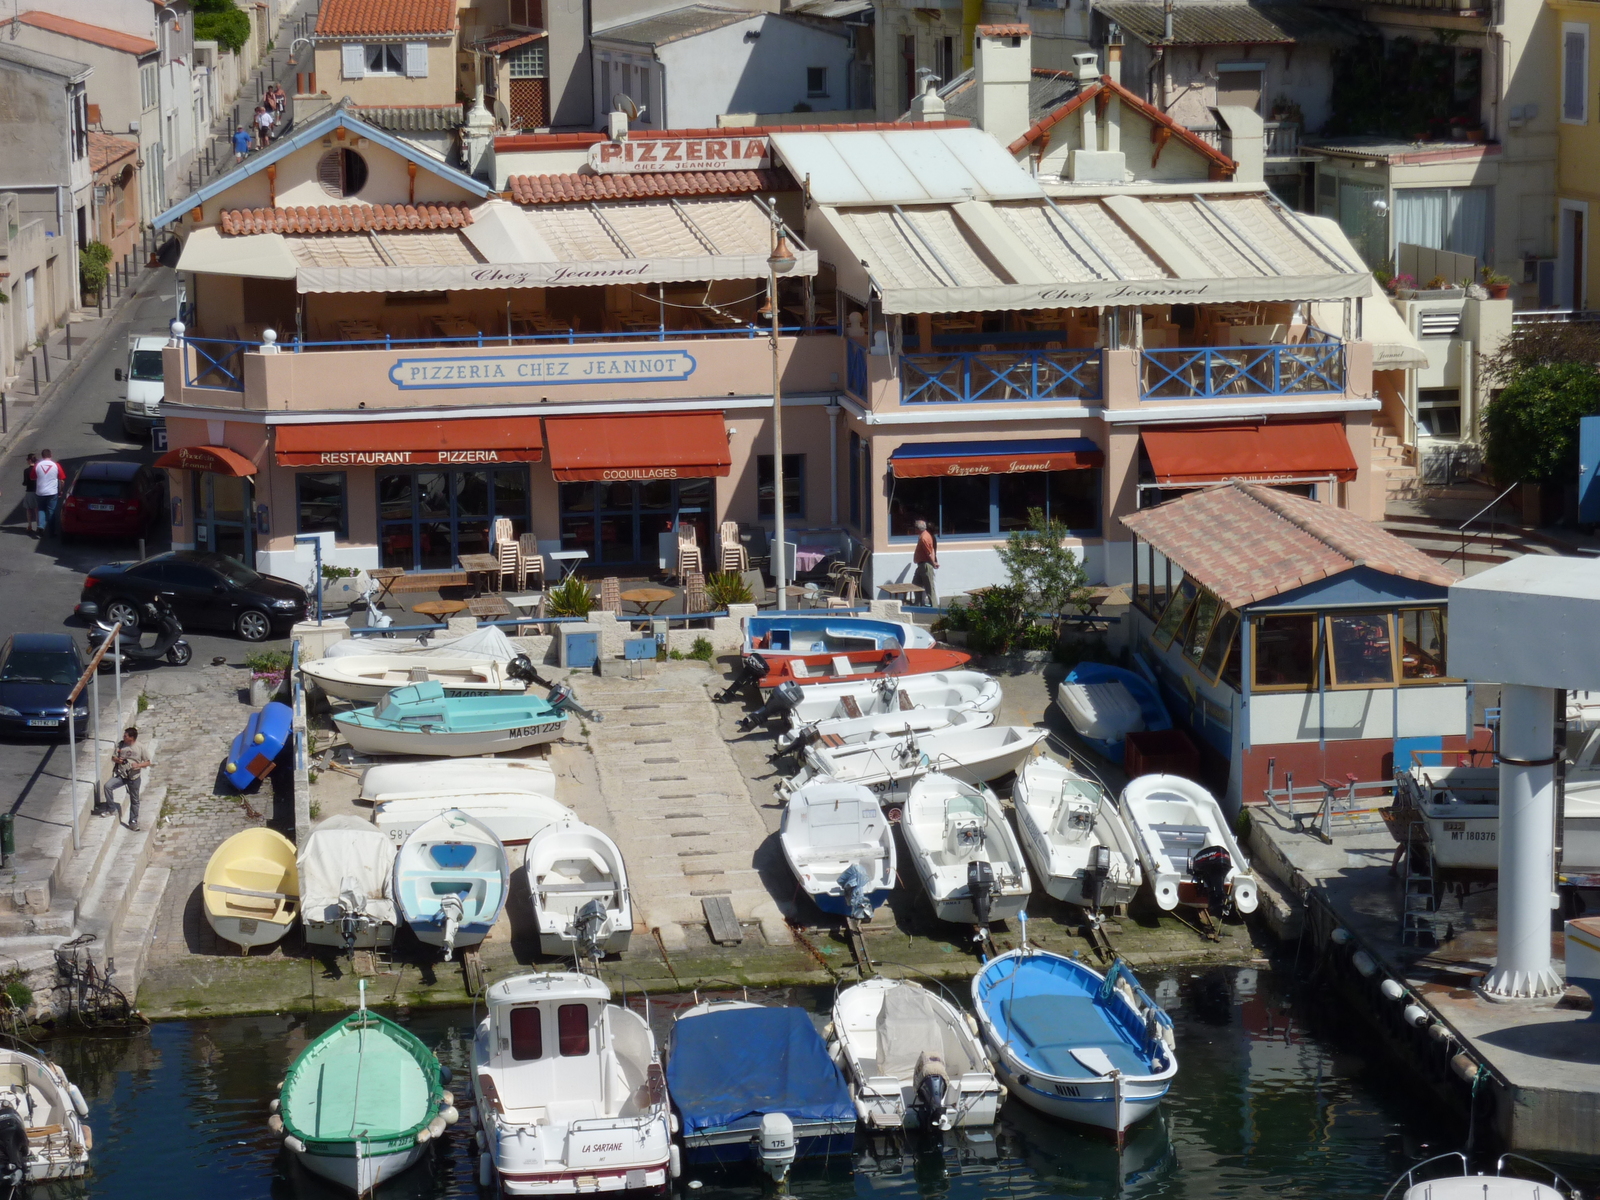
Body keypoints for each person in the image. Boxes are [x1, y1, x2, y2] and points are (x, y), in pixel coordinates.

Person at [105, 726, 152, 832]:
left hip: (134, 777)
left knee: (134, 800)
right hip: (122, 775)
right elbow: (113, 757)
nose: (124, 737)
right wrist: (119, 761)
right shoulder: (121, 745)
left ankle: (133, 821)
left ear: (132, 738)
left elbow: (148, 762)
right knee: (108, 786)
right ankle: (111, 809)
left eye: (125, 736)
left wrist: (138, 765)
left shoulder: (140, 747)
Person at [32, 449, 62, 537]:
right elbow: (62, 478)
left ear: (42, 456)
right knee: (51, 511)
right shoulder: (56, 465)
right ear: (51, 455)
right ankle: (52, 532)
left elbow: (32, 477)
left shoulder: (37, 465)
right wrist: (61, 490)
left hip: (40, 491)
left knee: (41, 509)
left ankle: (40, 525)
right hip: (52, 492)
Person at [912, 518, 939, 607]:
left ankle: (934, 606)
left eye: (915, 528)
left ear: (918, 529)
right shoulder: (924, 536)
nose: (914, 530)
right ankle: (918, 603)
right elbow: (932, 550)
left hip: (925, 564)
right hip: (921, 564)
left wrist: (933, 562)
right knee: (916, 584)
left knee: (929, 587)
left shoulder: (924, 538)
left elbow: (929, 552)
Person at [20, 454, 37, 535]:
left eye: (27, 459)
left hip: (30, 491)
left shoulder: (26, 470)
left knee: (29, 509)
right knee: (37, 509)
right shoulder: (38, 468)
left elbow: (25, 482)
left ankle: (29, 525)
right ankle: (39, 526)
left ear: (30, 460)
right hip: (38, 491)